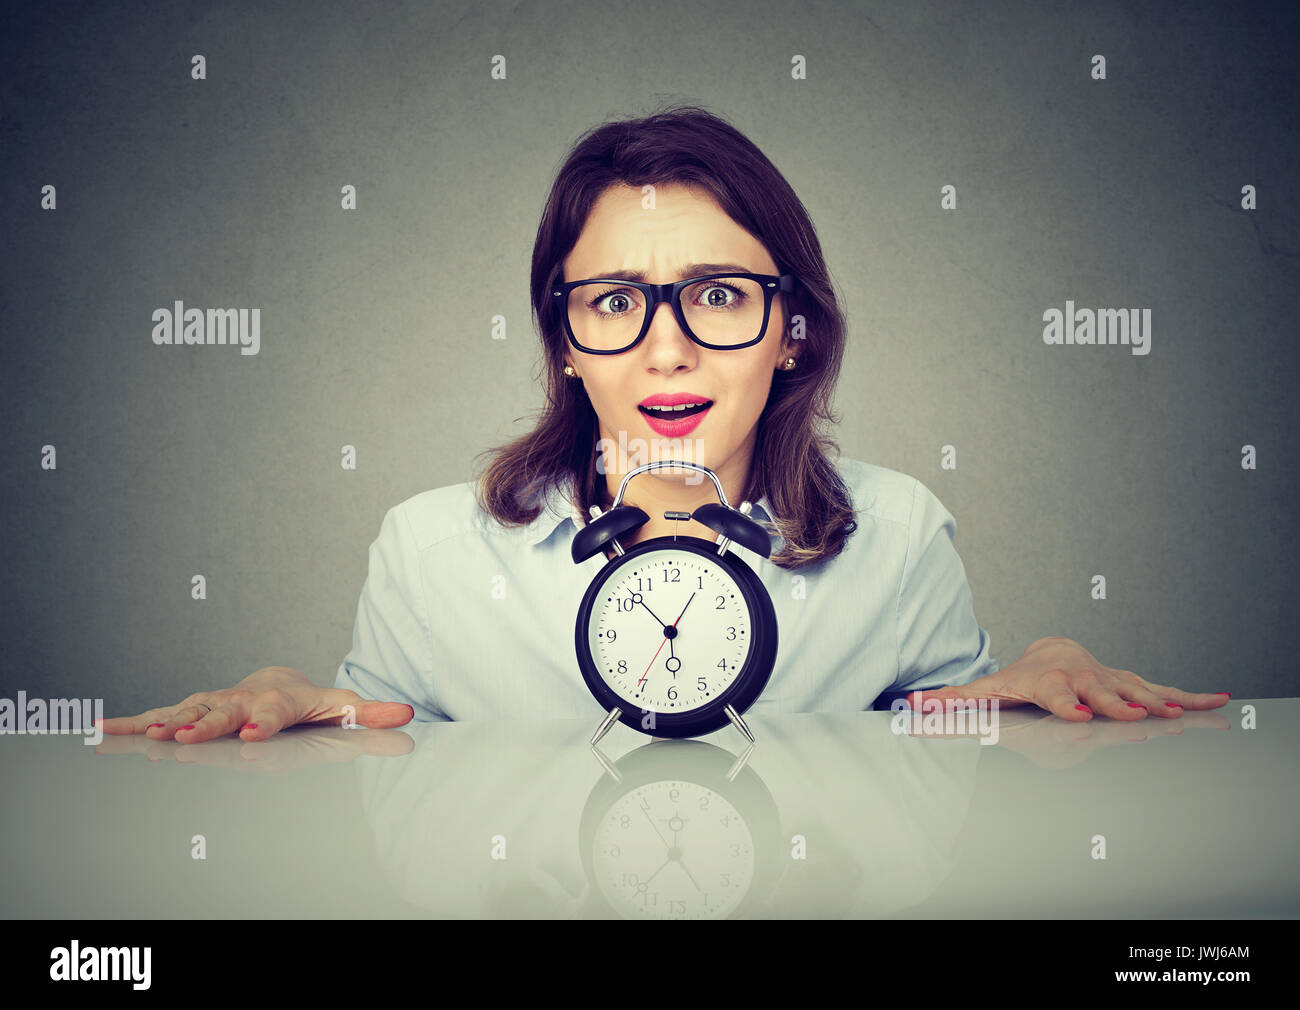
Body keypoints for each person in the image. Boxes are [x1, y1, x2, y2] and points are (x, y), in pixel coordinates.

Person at [101, 105, 1229, 744]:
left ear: (791, 327)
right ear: (566, 339)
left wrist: (1027, 675)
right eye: (612, 302)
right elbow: (386, 755)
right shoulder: (430, 551)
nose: (665, 346)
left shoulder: (897, 533)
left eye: (718, 294)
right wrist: (299, 703)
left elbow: (933, 759)